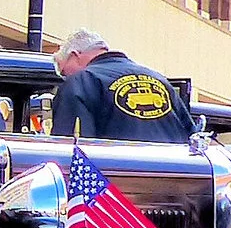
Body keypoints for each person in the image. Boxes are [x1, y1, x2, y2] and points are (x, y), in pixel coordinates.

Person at [50, 27, 195, 143]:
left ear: (75, 55)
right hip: (170, 174)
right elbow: (192, 137)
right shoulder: (159, 80)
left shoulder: (80, 82)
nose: (65, 77)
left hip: (115, 175)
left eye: (64, 71)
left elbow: (72, 147)